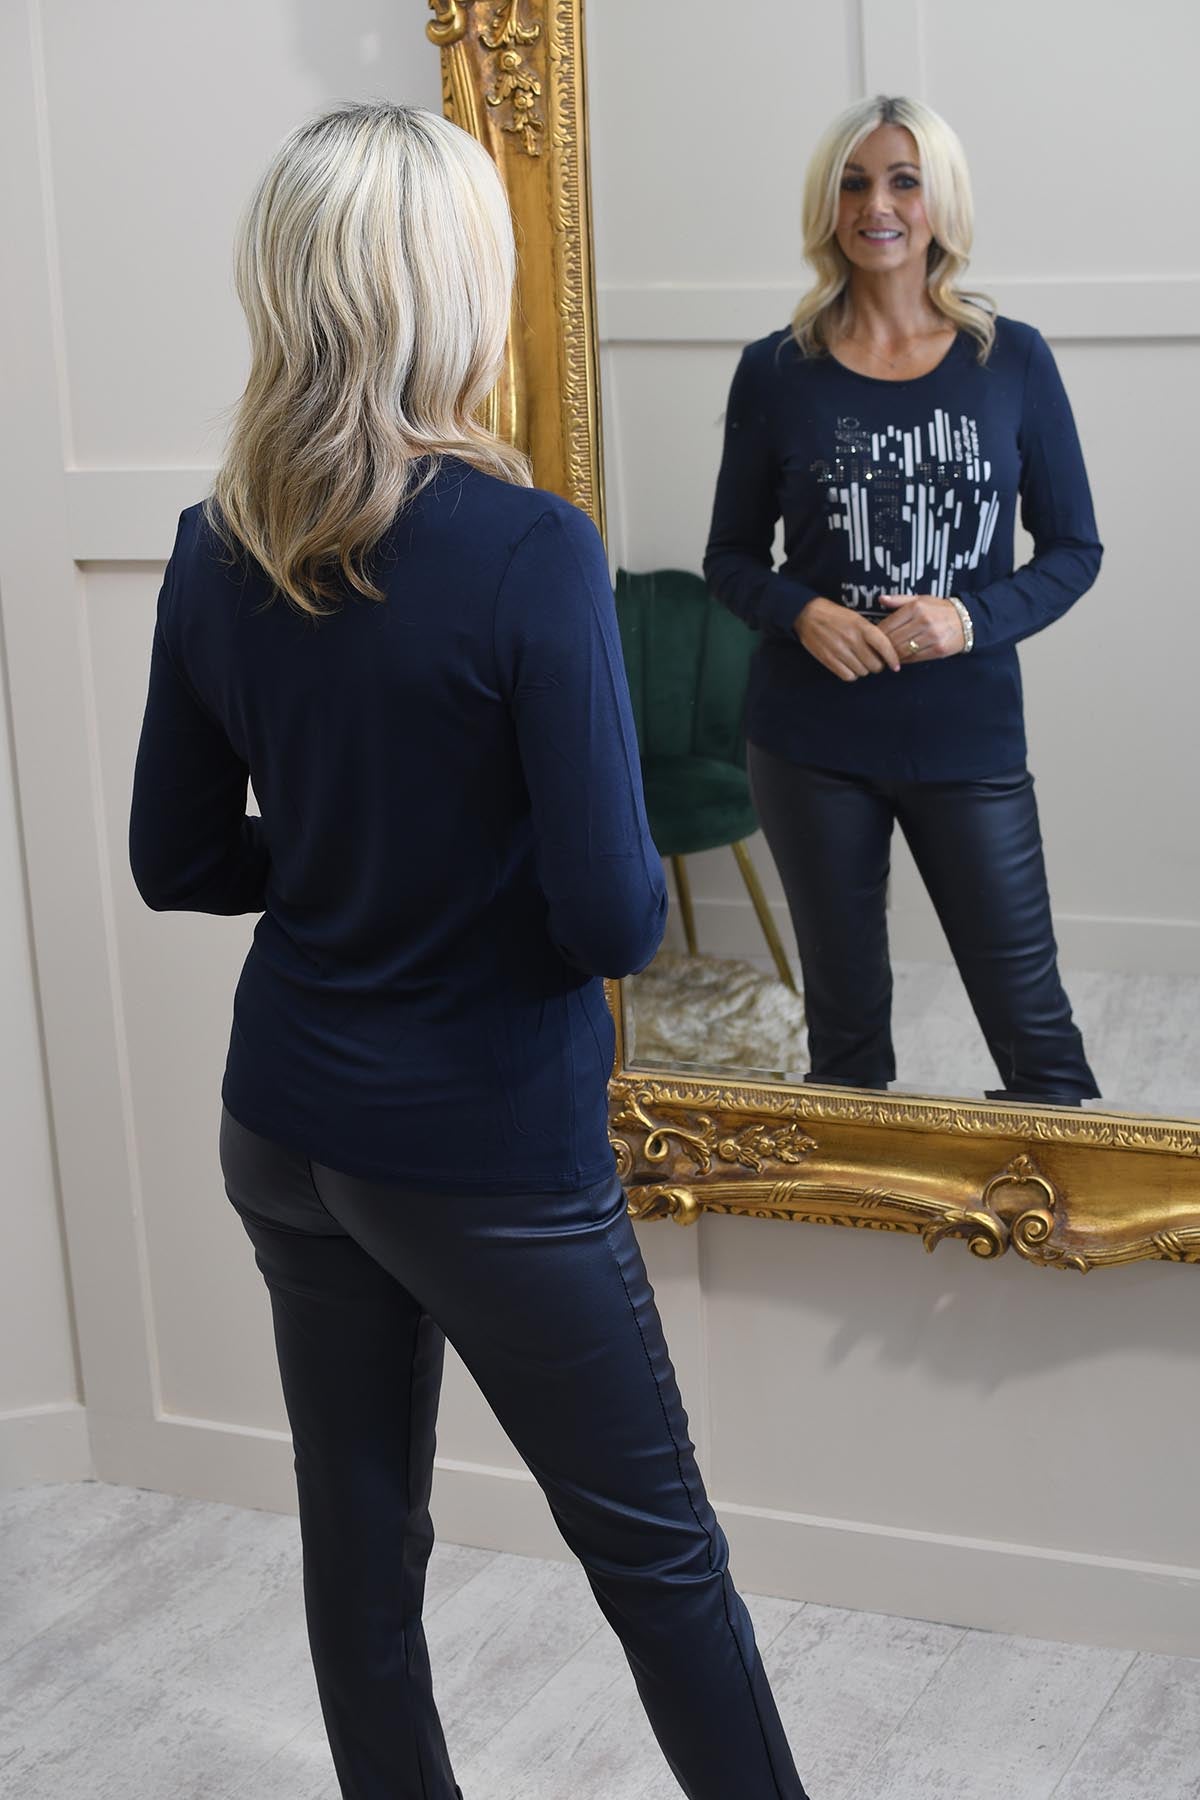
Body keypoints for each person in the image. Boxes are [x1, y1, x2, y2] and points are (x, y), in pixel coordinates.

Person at [128, 102, 810, 1800]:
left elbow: (179, 859)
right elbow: (614, 915)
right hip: (484, 1150)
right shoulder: (529, 547)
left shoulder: (218, 543)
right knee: (662, 1565)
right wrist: (449, 865)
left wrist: (351, 857)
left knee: (361, 1548)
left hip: (288, 1127)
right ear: (450, 288)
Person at [703, 93, 1102, 1105]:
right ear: (828, 205)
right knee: (844, 1036)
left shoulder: (1012, 360)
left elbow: (1073, 550)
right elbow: (732, 557)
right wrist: (802, 612)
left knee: (1038, 1039)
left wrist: (966, 618)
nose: (875, 205)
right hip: (808, 742)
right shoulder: (774, 372)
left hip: (967, 739)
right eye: (853, 183)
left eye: (903, 181)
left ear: (940, 203)